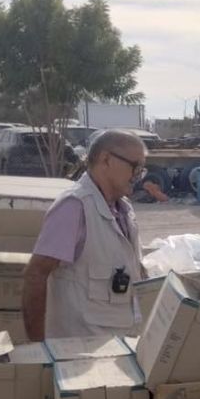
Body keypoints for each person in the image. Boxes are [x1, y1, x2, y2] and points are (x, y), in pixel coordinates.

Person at [22, 129, 148, 340]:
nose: (138, 176)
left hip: (120, 347)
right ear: (106, 159)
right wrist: (39, 348)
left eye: (142, 170)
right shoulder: (74, 207)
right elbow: (35, 275)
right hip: (81, 353)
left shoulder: (123, 209)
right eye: (135, 167)